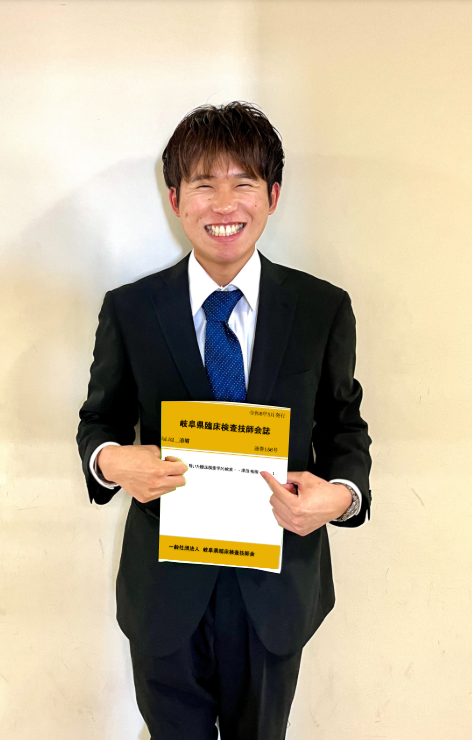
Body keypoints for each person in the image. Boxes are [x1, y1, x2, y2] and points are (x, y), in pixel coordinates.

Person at [77, 101, 372, 740]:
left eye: (243, 182)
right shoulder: (131, 309)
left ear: (273, 195)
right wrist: (113, 460)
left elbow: (343, 425)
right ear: (175, 198)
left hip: (274, 585)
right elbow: (99, 420)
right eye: (204, 184)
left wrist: (341, 496)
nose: (224, 203)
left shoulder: (321, 308)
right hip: (165, 587)